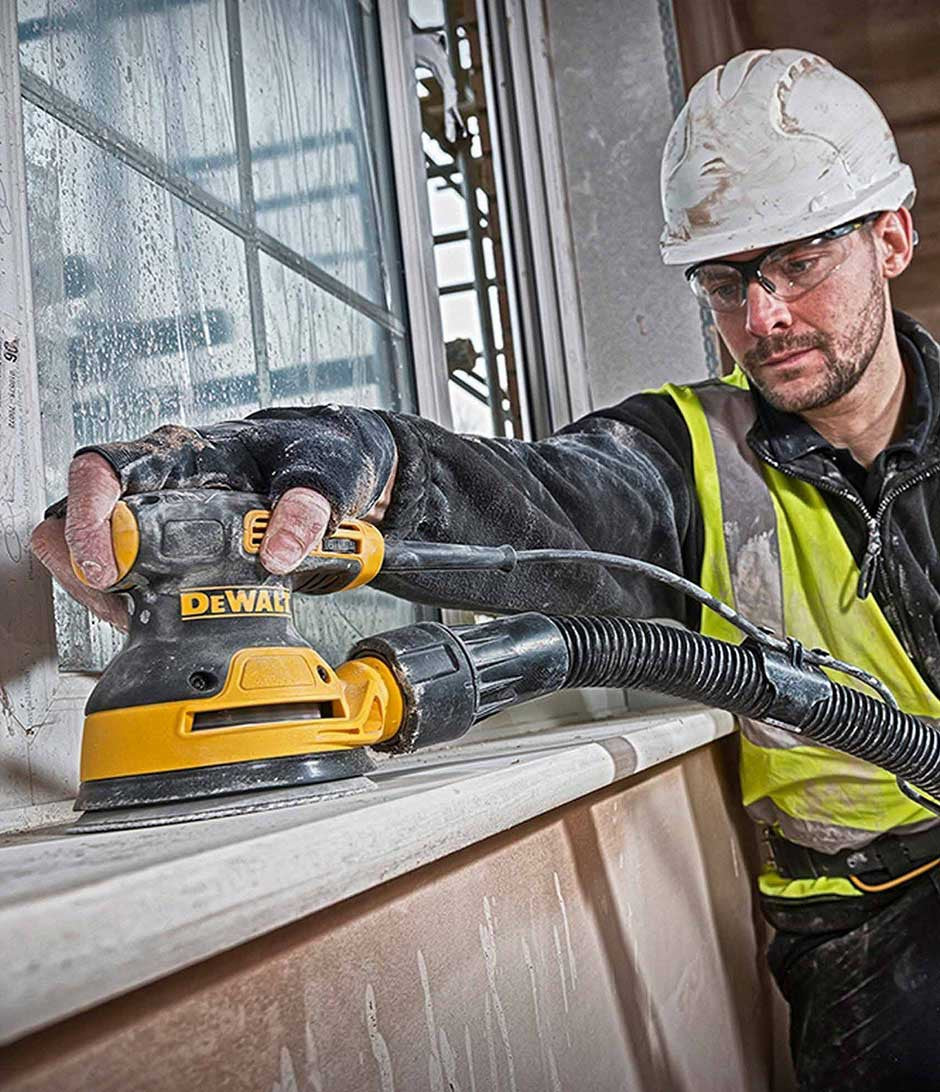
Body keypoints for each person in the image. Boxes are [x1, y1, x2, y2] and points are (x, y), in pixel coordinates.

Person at [30, 49, 940, 1089]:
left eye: (799, 263)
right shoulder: (686, 455)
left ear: (890, 238)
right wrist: (329, 456)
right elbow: (520, 499)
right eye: (727, 282)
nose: (762, 318)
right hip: (860, 916)